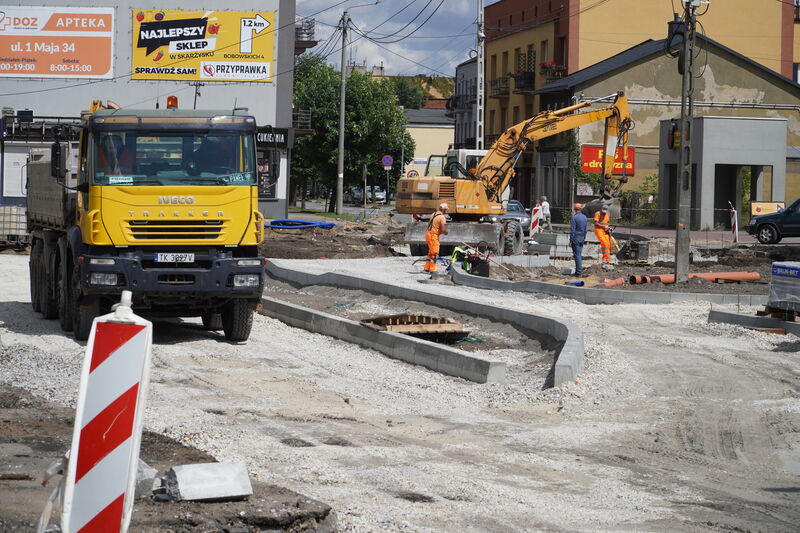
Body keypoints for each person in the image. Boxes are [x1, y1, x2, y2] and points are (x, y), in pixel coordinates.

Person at [424, 203, 449, 274]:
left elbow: (432, 225)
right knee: (434, 253)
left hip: (428, 234)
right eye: (446, 210)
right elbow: (443, 230)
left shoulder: (433, 214)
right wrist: (446, 232)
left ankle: (427, 268)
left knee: (430, 252)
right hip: (433, 236)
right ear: (443, 209)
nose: (446, 211)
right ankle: (433, 270)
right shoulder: (442, 217)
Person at [569, 203, 588, 276]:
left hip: (576, 237)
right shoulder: (584, 217)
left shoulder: (574, 218)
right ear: (581, 209)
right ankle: (578, 271)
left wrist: (571, 240)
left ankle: (578, 272)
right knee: (579, 254)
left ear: (574, 209)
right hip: (582, 237)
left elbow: (572, 230)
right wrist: (584, 237)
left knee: (577, 255)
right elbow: (585, 229)